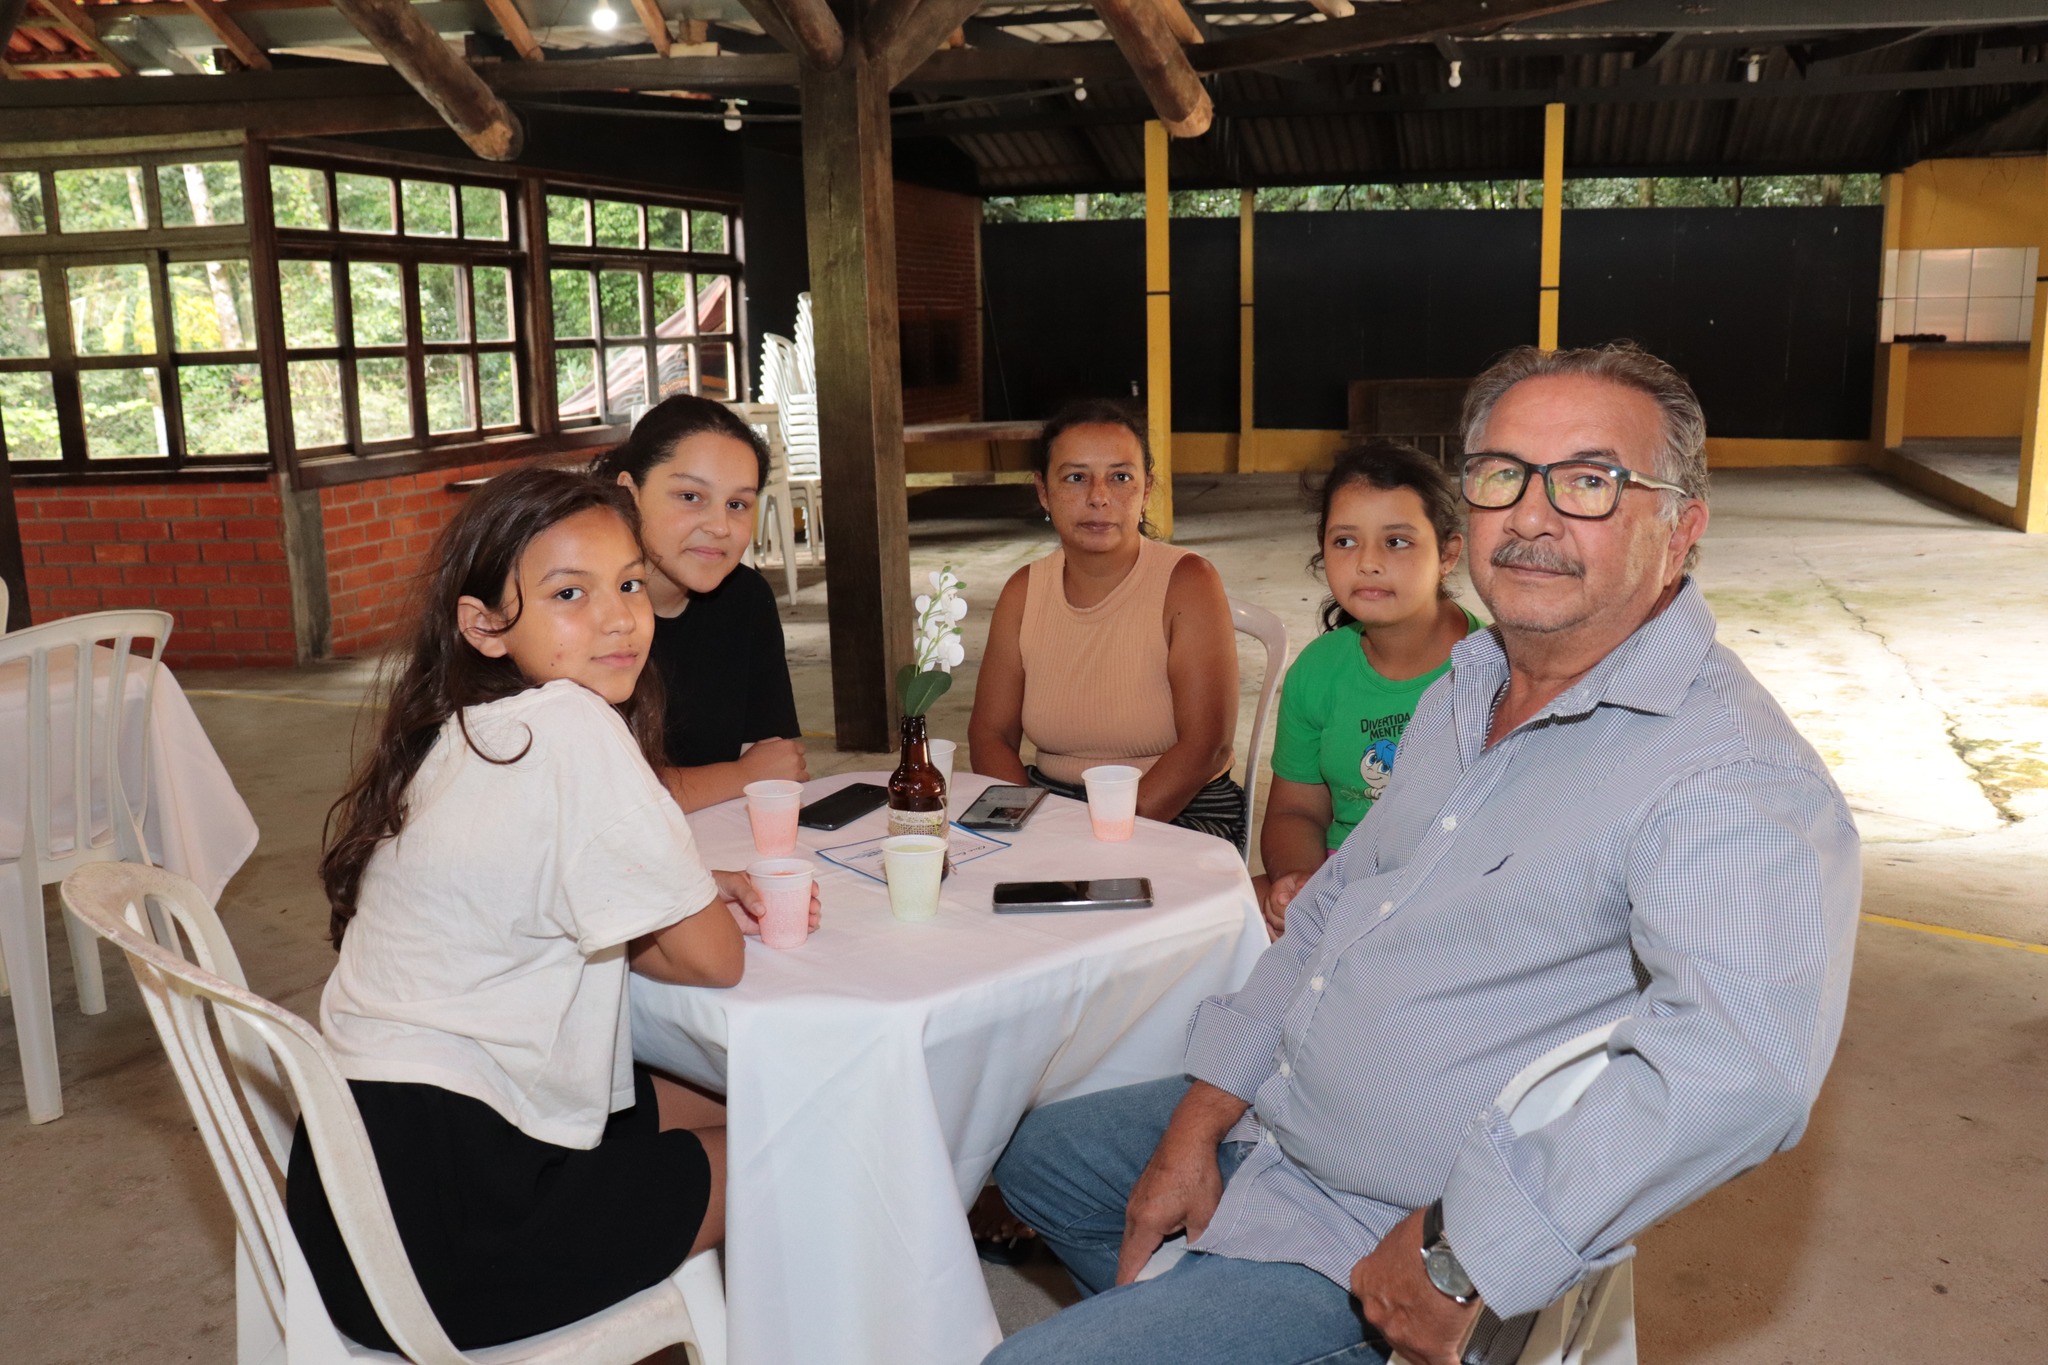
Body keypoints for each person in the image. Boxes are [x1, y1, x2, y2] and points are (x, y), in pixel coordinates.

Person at [983, 342, 1861, 1365]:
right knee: (1040, 1159)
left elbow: (1741, 1070)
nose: (1531, 517)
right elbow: (1334, 903)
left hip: (1386, 1234)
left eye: (1588, 482)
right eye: (1502, 475)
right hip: (1283, 1126)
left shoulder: (1728, 774)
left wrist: (1461, 1253)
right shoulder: (1469, 681)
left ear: (1682, 528)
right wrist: (1201, 1117)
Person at [288, 465, 817, 1352]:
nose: (617, 618)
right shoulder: (571, 726)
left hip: (352, 1194)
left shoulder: (458, 728)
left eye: (629, 585)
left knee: (729, 1096)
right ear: (484, 623)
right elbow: (716, 958)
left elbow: (560, 894)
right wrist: (676, 893)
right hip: (459, 1232)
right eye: (570, 593)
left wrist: (660, 887)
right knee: (812, 1130)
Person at [968, 399, 1243, 846]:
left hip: (1178, 805)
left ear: (1146, 489)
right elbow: (990, 734)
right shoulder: (1023, 592)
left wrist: (1102, 836)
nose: (1099, 496)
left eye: (1120, 477)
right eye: (1076, 478)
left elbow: (1206, 746)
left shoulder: (1188, 582)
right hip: (1052, 804)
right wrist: (1024, 824)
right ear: (1043, 491)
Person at [1257, 441, 1485, 936]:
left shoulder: (1494, 669)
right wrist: (1299, 881)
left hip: (1453, 894)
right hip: (1342, 880)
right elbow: (1296, 811)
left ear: (1448, 554)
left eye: (1396, 541)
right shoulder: (1318, 671)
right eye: (1345, 541)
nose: (1367, 562)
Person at [596, 395, 807, 811]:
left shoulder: (745, 598)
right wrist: (740, 776)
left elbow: (777, 766)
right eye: (690, 496)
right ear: (629, 492)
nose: (719, 526)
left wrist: (750, 775)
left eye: (737, 505)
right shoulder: (590, 614)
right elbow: (599, 797)